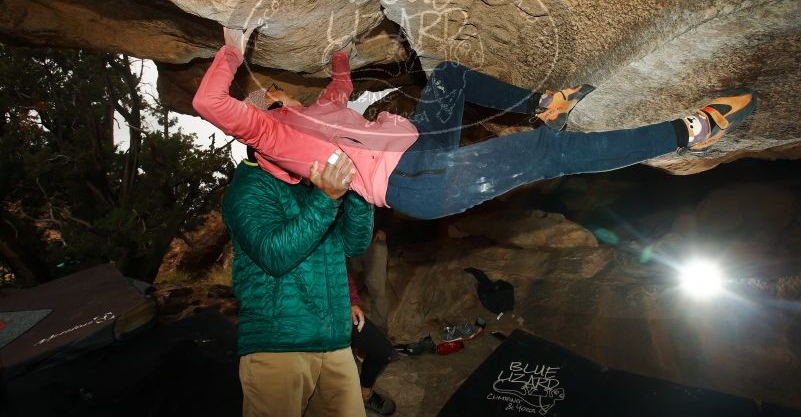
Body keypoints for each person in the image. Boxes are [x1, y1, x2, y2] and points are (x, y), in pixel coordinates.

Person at [194, 27, 756, 220]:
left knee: (453, 76)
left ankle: (543, 103)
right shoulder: (270, 135)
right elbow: (209, 103)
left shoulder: (309, 112)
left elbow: (339, 89)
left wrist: (341, 57)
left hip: (421, 142)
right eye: (260, 95)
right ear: (257, 115)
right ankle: (689, 131)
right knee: (545, 154)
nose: (267, 91)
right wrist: (232, 53)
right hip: (413, 184)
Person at [224, 145, 373, 417]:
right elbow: (274, 254)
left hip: (335, 342)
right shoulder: (250, 184)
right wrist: (326, 199)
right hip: (278, 346)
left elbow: (355, 244)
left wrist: (361, 189)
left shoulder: (313, 186)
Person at [348, 273, 396, 415]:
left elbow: (340, 269)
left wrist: (352, 301)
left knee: (381, 349)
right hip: (303, 316)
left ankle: (365, 394)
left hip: (338, 308)